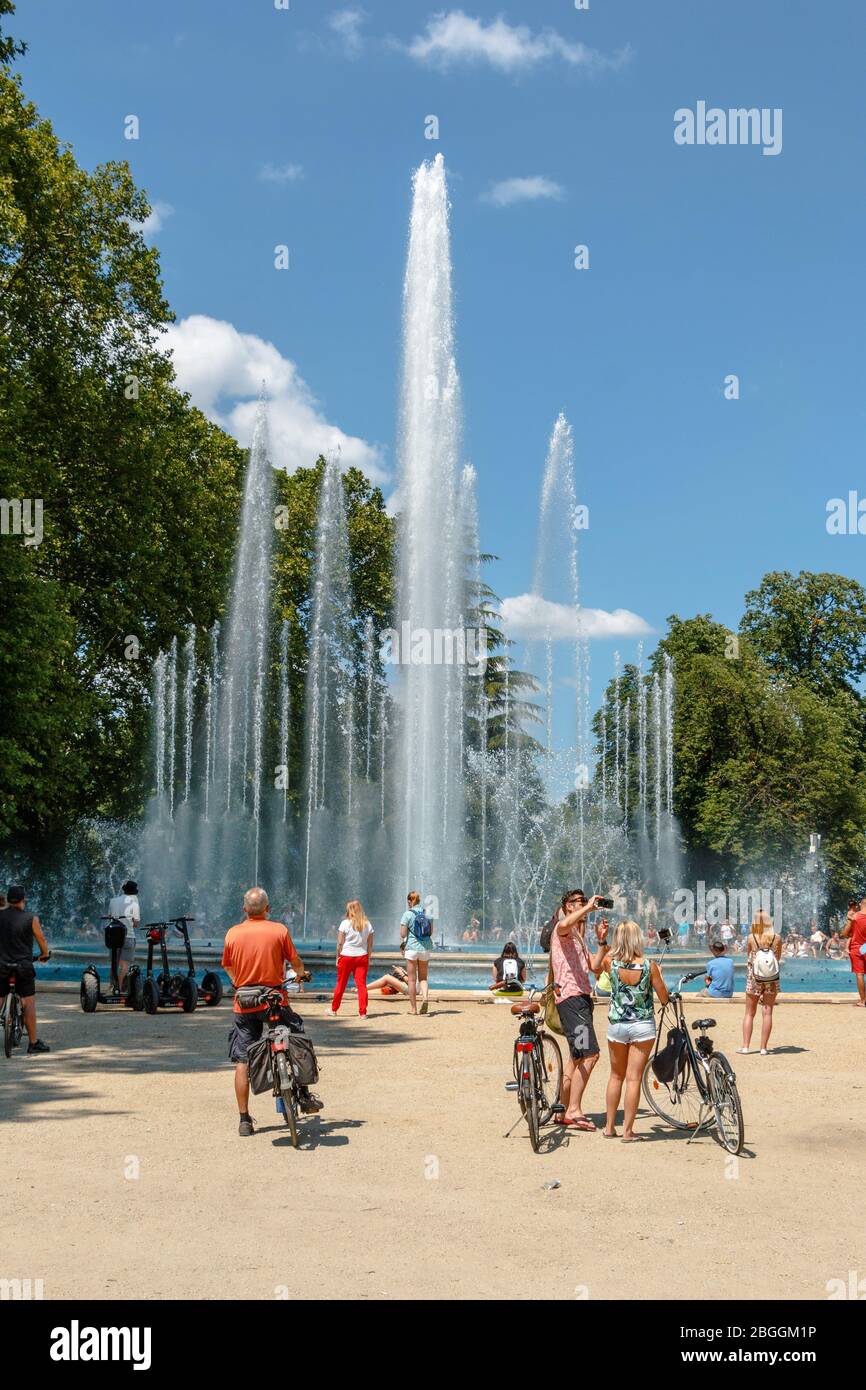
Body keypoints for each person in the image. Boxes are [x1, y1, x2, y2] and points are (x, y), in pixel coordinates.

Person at [221, 886, 322, 1137]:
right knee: (297, 1037)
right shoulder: (279, 930)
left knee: (243, 1060)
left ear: (245, 909)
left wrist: (239, 984)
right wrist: (301, 974)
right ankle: (305, 1094)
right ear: (267, 909)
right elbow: (295, 961)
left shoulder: (232, 934)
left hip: (244, 1004)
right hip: (274, 1000)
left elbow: (227, 966)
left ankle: (244, 1119)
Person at [599, 920, 669, 1142]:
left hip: (618, 1024)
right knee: (634, 1079)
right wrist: (661, 976)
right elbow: (664, 998)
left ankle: (609, 1127)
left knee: (615, 1076)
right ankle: (628, 1131)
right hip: (642, 1026)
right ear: (638, 938)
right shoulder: (650, 966)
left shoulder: (609, 963)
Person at [550, 890, 609, 1131]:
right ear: (566, 906)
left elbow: (594, 967)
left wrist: (602, 941)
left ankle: (562, 1110)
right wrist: (588, 909)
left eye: (584, 901)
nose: (583, 904)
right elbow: (564, 923)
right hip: (572, 999)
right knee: (590, 1055)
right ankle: (574, 1109)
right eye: (578, 902)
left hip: (580, 999)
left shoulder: (576, 935)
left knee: (576, 1058)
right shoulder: (561, 929)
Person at [0, 885, 51, 1055]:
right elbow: (41, 939)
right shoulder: (31, 918)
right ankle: (33, 1043)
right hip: (23, 967)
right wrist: (44, 954)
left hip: (1, 965)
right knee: (29, 1003)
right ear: (23, 899)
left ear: (8, 900)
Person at [740, 909, 783, 1055]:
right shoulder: (777, 938)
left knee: (749, 1014)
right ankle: (763, 1048)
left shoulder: (751, 938)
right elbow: (777, 957)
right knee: (768, 1012)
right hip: (772, 978)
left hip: (754, 978)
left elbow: (749, 957)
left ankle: (746, 1047)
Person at [331, 899, 374, 1017]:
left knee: (341, 984)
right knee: (361, 985)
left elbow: (340, 943)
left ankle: (334, 1009)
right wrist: (368, 957)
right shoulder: (367, 924)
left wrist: (337, 957)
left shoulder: (345, 923)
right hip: (362, 956)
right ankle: (363, 1013)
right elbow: (370, 944)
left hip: (346, 956)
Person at [400, 890, 432, 1016]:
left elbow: (402, 934)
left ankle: (413, 1009)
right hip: (425, 948)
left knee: (412, 980)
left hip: (412, 948)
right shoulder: (427, 913)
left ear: (409, 901)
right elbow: (430, 932)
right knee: (423, 978)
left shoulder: (407, 914)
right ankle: (425, 998)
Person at [107, 878, 140, 992]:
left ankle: (112, 986)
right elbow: (136, 923)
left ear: (124, 890)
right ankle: (120, 988)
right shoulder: (134, 903)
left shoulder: (113, 901)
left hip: (113, 936)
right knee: (124, 965)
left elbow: (110, 917)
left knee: (114, 963)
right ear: (134, 892)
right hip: (128, 936)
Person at [842, 896, 866, 1006]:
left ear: (861, 904)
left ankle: (863, 1001)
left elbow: (844, 934)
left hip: (858, 948)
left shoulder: (854, 917)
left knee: (860, 974)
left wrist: (849, 921)